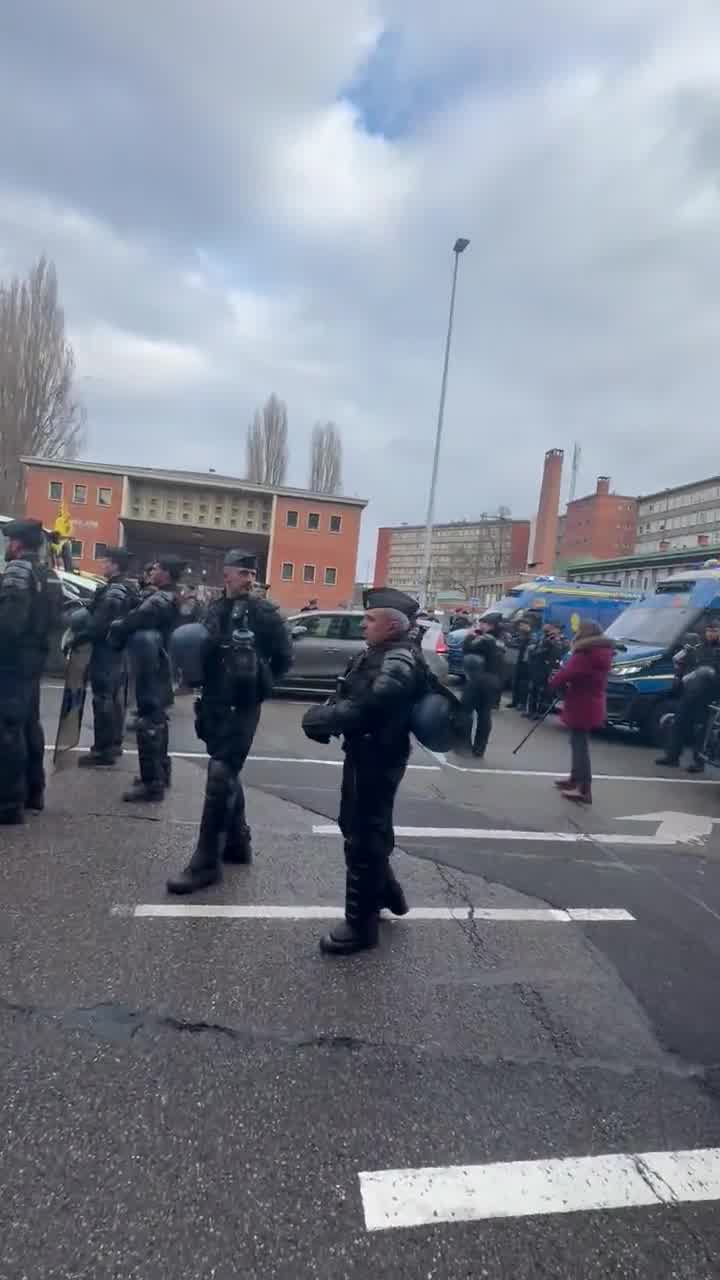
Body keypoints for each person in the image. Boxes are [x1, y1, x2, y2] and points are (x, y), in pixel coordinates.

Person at [302, 602, 426, 955]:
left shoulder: (398, 658)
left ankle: (361, 925)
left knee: (363, 835)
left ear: (392, 626)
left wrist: (329, 719)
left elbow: (377, 702)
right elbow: (350, 691)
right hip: (364, 751)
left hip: (379, 754)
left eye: (371, 620)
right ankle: (387, 893)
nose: (363, 626)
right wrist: (328, 715)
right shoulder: (378, 652)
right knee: (358, 826)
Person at [166, 550, 293, 894]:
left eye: (249, 574)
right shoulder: (215, 609)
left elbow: (284, 658)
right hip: (214, 701)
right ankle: (237, 844)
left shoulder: (264, 613)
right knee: (225, 770)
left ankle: (206, 864)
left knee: (220, 773)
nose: (245, 579)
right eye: (240, 573)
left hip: (242, 704)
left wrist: (256, 680)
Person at [108, 556, 183, 802]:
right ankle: (160, 773)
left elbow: (135, 620)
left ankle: (152, 784)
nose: (152, 570)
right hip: (160, 664)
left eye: (157, 568)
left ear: (168, 574)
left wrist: (118, 627)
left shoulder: (161, 599)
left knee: (149, 720)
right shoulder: (169, 595)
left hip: (152, 665)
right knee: (157, 718)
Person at [0, 519, 59, 822]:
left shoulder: (17, 571)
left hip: (12, 659)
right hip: (36, 657)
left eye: (9, 541)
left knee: (8, 728)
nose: (7, 547)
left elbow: (9, 624)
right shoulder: (49, 574)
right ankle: (34, 792)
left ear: (18, 544)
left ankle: (8, 804)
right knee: (29, 724)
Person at [76, 547, 137, 768]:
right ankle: (114, 743)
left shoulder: (115, 590)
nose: (102, 565)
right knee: (114, 699)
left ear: (114, 565)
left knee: (103, 699)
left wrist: (80, 636)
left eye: (105, 562)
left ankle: (103, 750)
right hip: (119, 652)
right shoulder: (127, 587)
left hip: (107, 650)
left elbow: (100, 623)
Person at [549, 620, 614, 805]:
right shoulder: (600, 651)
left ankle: (584, 788)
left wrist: (553, 684)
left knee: (580, 746)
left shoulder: (586, 652)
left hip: (582, 702)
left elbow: (567, 673)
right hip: (590, 701)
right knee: (578, 742)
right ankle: (575, 779)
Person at [656, 617, 720, 773]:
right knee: (680, 723)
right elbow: (687, 665)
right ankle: (672, 756)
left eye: (714, 631)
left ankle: (699, 762)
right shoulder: (698, 647)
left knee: (702, 729)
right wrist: (680, 677)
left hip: (709, 696)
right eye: (709, 630)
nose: (710, 634)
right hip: (691, 692)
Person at [461, 613, 506, 758]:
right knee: (485, 714)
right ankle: (480, 748)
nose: (480, 626)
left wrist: (470, 635)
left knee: (465, 710)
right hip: (494, 679)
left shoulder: (486, 638)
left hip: (479, 678)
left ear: (490, 625)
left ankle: (463, 743)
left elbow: (467, 647)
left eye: (483, 623)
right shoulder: (502, 639)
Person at [525, 622, 565, 719]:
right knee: (533, 689)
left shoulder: (558, 640)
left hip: (546, 668)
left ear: (557, 630)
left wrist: (538, 651)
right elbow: (536, 648)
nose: (548, 629)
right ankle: (531, 710)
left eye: (552, 627)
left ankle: (539, 712)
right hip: (537, 666)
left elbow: (556, 653)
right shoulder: (544, 637)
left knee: (542, 691)